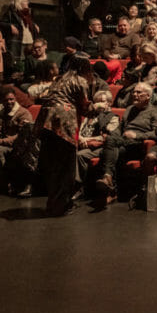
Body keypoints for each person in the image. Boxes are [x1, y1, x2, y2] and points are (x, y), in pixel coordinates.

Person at [34, 56, 95, 216]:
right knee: (66, 167)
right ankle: (61, 206)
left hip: (46, 121)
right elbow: (85, 107)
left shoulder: (60, 79)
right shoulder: (80, 81)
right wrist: (98, 107)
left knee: (53, 166)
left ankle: (53, 203)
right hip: (63, 121)